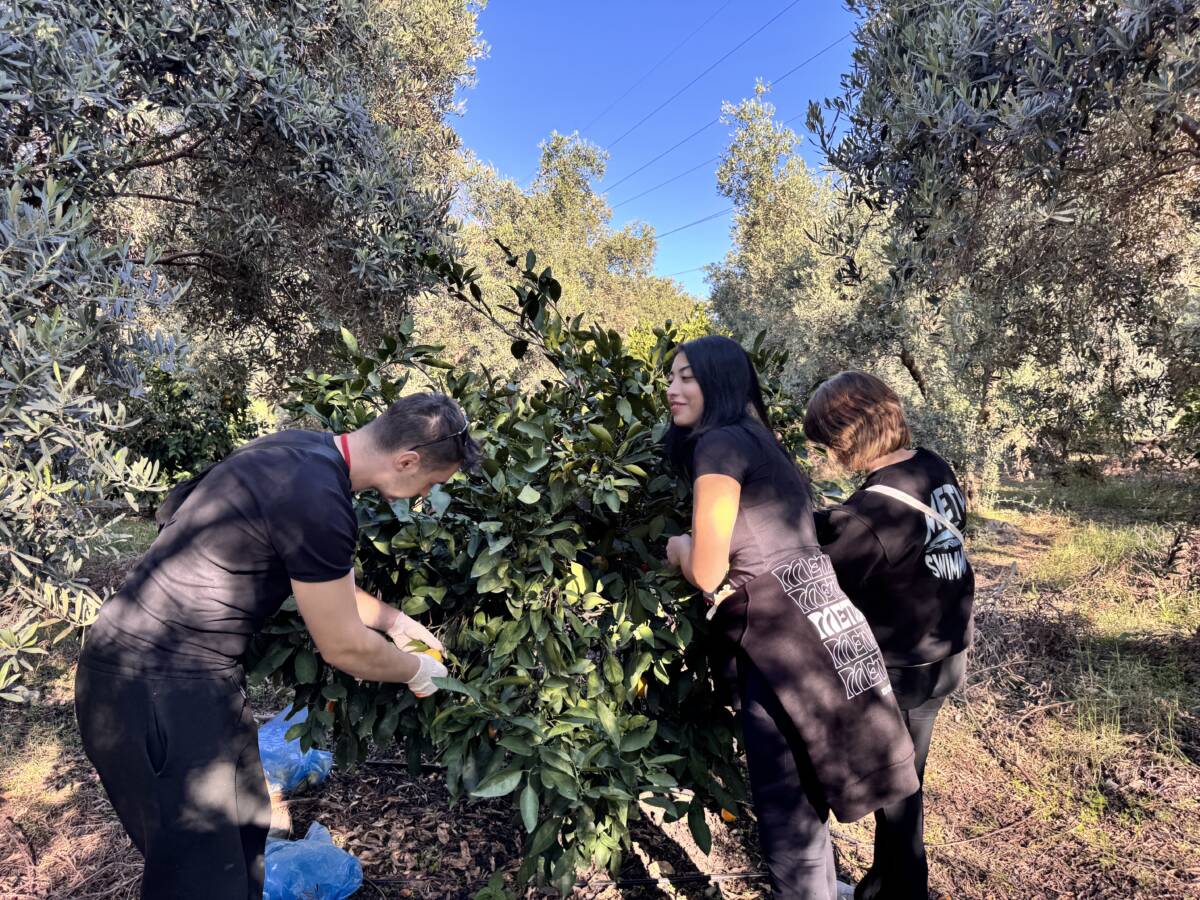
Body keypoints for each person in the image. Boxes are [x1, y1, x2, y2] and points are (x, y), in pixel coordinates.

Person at [75, 392, 479, 899]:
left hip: (180, 679)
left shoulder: (300, 453)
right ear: (407, 461)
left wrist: (395, 621)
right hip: (157, 686)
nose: (424, 496)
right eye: (432, 483)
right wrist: (414, 672)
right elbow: (343, 647)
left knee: (243, 840)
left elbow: (328, 587)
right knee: (200, 877)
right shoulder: (319, 498)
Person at [662, 337, 919, 900]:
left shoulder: (720, 445)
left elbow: (706, 570)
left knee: (787, 818)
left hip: (780, 643)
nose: (672, 389)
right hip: (828, 624)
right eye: (671, 377)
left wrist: (678, 546)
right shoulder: (761, 440)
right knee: (809, 794)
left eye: (687, 378)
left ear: (720, 383)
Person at [804, 371, 975, 900]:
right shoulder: (932, 465)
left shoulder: (869, 515)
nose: (829, 456)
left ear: (848, 436)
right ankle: (887, 885)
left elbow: (816, 576)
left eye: (828, 444)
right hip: (948, 649)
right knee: (909, 780)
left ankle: (900, 891)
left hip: (902, 666)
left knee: (895, 786)